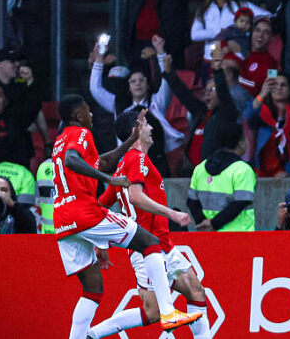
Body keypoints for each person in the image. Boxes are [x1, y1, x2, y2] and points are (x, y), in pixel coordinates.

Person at [52, 96, 201, 336]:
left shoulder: (60, 140)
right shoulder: (81, 134)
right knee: (149, 243)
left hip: (63, 220)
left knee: (93, 289)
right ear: (79, 114)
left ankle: (83, 336)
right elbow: (74, 161)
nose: (92, 116)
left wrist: (129, 141)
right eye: (89, 111)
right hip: (84, 212)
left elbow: (101, 163)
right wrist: (109, 179)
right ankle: (169, 312)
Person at [87, 110, 211, 339]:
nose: (152, 128)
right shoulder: (137, 158)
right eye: (146, 124)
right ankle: (93, 334)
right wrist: (171, 214)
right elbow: (134, 196)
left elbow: (98, 207)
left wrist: (100, 241)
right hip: (148, 250)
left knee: (196, 290)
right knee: (152, 312)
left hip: (163, 245)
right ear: (136, 130)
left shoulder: (123, 166)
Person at [89, 38, 180, 177]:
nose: (138, 84)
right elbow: (95, 88)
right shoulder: (119, 106)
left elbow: (165, 82)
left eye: (142, 80)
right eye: (133, 81)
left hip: (155, 163)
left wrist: (160, 52)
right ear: (129, 87)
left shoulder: (157, 102)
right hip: (126, 163)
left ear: (148, 84)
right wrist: (100, 57)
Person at [191, 0, 270, 77]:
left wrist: (250, 28)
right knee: (210, 91)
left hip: (233, 61)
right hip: (209, 60)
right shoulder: (203, 9)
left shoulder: (240, 5)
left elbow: (267, 16)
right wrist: (220, 32)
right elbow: (194, 35)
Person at [188, 124, 256, 231]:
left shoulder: (200, 168)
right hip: (240, 236)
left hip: (207, 235)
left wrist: (204, 224)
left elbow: (191, 201)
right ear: (240, 143)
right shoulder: (243, 169)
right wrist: (214, 224)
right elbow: (240, 203)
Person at [245, 74, 290, 177]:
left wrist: (287, 172)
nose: (278, 88)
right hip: (263, 172)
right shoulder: (263, 113)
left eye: (283, 85)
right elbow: (248, 117)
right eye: (274, 85)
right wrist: (262, 94)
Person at [240, 17, 279, 97]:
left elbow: (266, 91)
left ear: (271, 37)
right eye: (257, 30)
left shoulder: (272, 65)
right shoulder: (240, 53)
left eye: (266, 32)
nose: (260, 35)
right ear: (252, 32)